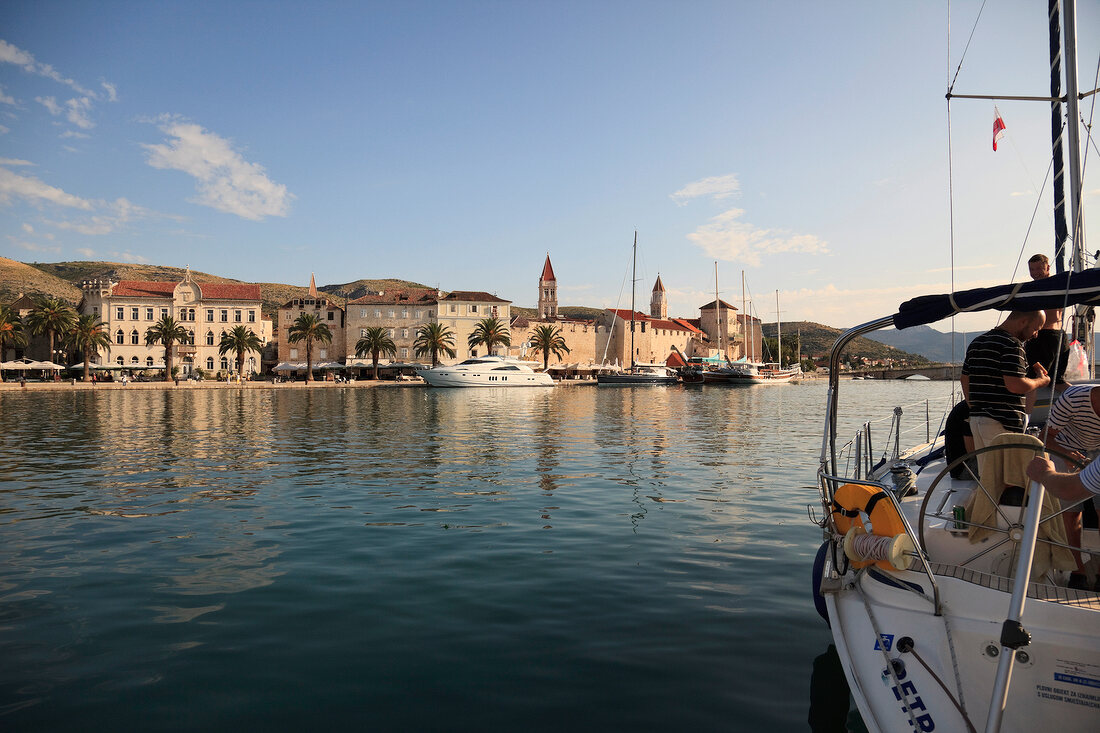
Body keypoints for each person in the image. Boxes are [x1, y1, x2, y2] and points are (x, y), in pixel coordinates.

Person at [1039, 384, 1100, 587]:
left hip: (1098, 452)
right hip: (1064, 448)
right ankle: (1078, 571)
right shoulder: (1073, 398)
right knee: (1071, 512)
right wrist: (1067, 454)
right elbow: (1045, 436)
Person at [961, 310, 1049, 448]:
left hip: (978, 420)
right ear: (1023, 322)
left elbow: (964, 379)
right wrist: (1040, 381)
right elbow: (1015, 385)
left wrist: (975, 408)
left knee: (987, 469)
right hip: (1002, 424)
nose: (1036, 335)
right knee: (1008, 469)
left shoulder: (978, 342)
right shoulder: (1012, 344)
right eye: (1035, 329)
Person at [1025, 254, 1070, 385]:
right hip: (1060, 337)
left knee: (1033, 379)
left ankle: (1027, 406)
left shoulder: (1041, 288)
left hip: (1045, 337)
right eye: (1032, 269)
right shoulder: (1060, 285)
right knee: (1058, 382)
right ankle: (1085, 400)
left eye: (1039, 268)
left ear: (1048, 267)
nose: (1035, 273)